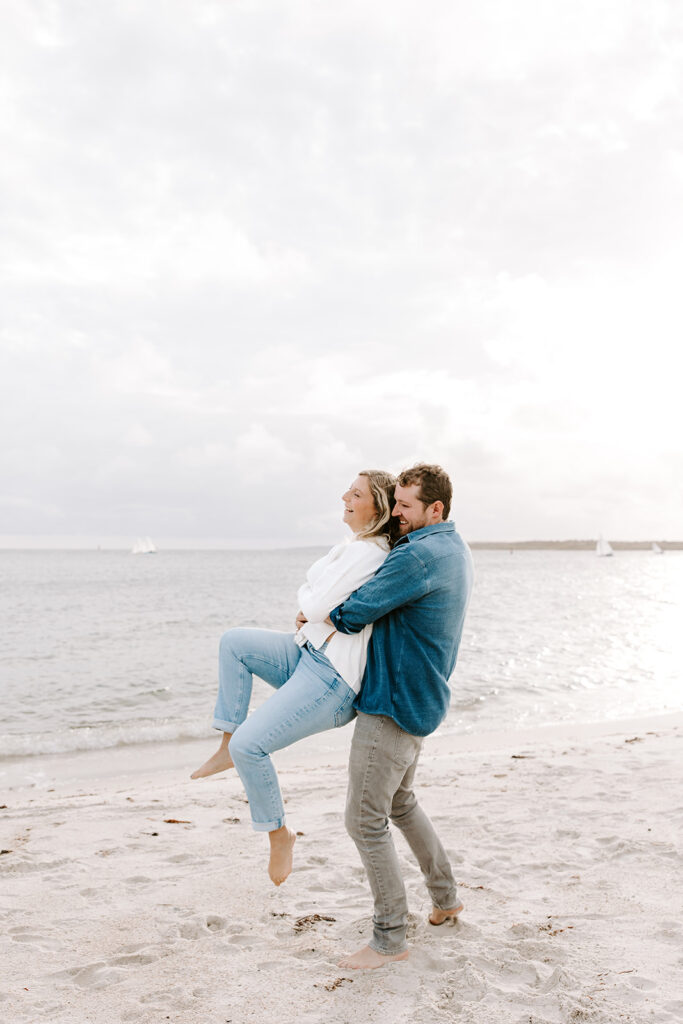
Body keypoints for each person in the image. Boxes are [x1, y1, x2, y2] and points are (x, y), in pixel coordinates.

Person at [190, 469, 398, 887]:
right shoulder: (352, 545)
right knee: (235, 642)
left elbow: (316, 599)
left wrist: (311, 605)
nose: (345, 496)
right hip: (307, 650)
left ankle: (279, 833)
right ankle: (227, 741)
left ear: (377, 507)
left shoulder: (370, 554)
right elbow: (312, 591)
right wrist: (311, 604)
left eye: (355, 494)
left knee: (255, 746)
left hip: (333, 679)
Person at [327, 463, 474, 970]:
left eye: (406, 506)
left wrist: (321, 613)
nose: (397, 514)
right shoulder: (454, 548)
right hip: (423, 699)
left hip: (391, 704)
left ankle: (389, 938)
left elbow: (357, 608)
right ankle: (446, 897)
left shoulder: (421, 555)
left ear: (436, 509)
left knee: (364, 820)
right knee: (402, 803)